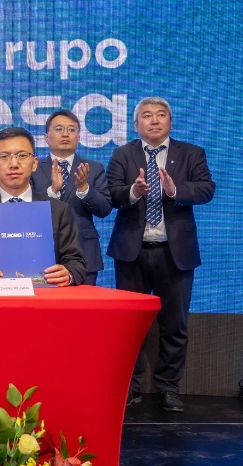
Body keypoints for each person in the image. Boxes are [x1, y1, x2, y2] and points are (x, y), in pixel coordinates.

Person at [106, 97, 215, 412]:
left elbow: (206, 189)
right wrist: (133, 192)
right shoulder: (123, 154)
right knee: (130, 326)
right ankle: (131, 386)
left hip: (175, 252)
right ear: (135, 124)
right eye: (147, 116)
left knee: (174, 325)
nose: (154, 120)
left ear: (170, 121)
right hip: (132, 252)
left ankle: (168, 387)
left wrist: (174, 191)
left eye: (161, 115)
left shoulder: (191, 153)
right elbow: (111, 194)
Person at [0, 127, 86, 287]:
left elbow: (76, 263)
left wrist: (68, 274)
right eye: (4, 156)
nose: (14, 164)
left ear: (34, 163)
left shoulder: (58, 209)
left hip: (45, 297)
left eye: (22, 156)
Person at [30, 109, 112, 285]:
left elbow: (104, 209)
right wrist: (53, 191)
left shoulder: (93, 168)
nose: (65, 134)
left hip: (84, 254)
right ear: (46, 137)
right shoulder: (33, 168)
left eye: (71, 129)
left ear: (79, 136)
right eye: (59, 129)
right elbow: (26, 209)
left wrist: (84, 189)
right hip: (41, 252)